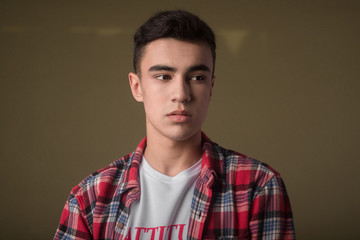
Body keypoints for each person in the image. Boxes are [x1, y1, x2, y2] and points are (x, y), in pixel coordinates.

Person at [54, 10, 295, 240]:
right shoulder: (90, 197)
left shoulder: (258, 187)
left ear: (211, 87)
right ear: (137, 87)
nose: (181, 94)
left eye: (197, 78)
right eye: (163, 76)